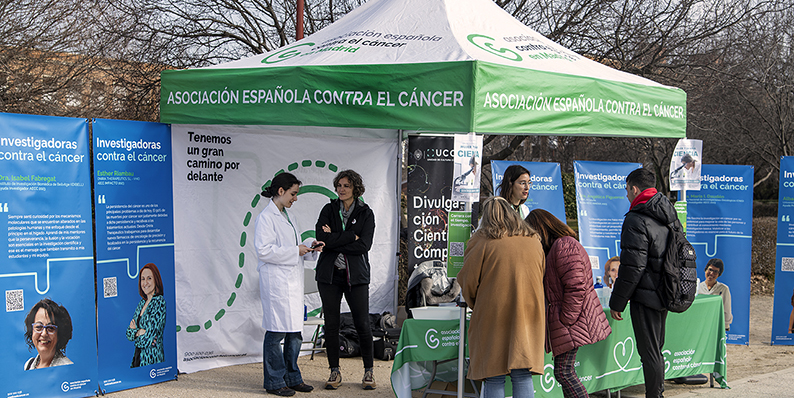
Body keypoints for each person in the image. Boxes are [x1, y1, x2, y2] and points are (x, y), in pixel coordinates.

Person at [457, 196, 545, 398]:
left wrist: (475, 302)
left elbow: (468, 281)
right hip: (529, 314)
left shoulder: (481, 241)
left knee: (494, 373)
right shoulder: (533, 240)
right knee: (522, 373)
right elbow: (541, 273)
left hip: (493, 314)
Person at [525, 209, 612, 398]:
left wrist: (567, 318)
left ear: (541, 229)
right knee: (564, 371)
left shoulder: (563, 245)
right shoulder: (560, 246)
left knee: (564, 372)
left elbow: (576, 286)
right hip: (569, 320)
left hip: (571, 320)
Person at [609, 168, 678, 398]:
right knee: (656, 350)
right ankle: (657, 393)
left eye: (627, 190)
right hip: (665, 291)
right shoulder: (668, 213)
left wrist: (617, 301)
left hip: (646, 295)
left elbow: (632, 266)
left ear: (634, 189)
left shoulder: (635, 218)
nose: (627, 195)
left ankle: (655, 395)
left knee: (649, 352)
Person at [256, 172, 323, 396]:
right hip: (276, 283)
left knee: (295, 332)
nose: (296, 198)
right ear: (281, 191)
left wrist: (309, 245)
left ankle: (292, 377)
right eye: (293, 193)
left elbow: (292, 245)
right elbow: (264, 251)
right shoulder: (266, 217)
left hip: (291, 283)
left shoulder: (287, 216)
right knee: (276, 334)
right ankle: (275, 382)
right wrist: (296, 250)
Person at [315, 169, 377, 390]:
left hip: (356, 277)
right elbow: (321, 238)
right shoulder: (328, 209)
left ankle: (368, 372)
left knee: (362, 324)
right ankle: (334, 371)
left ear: (355, 189)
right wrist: (351, 236)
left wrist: (334, 240)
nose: (341, 189)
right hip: (329, 276)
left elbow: (365, 245)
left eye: (346, 186)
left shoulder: (366, 213)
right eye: (339, 185)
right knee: (331, 325)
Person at [127, 262, 167, 367]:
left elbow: (149, 339)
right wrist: (139, 332)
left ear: (156, 280)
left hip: (152, 359)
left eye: (149, 278)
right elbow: (129, 333)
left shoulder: (159, 303)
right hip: (138, 356)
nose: (145, 283)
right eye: (142, 279)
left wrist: (136, 332)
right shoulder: (142, 303)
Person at [24, 298, 73, 370]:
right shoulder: (28, 365)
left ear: (59, 334)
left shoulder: (67, 367)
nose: (44, 334)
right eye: (38, 327)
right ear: (31, 331)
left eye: (50, 328)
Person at [697, 258, 733, 331]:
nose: (712, 273)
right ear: (705, 270)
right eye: (710, 270)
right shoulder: (697, 287)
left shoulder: (724, 289)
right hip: (699, 325)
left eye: (715, 271)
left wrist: (725, 326)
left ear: (719, 274)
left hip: (716, 326)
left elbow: (727, 310)